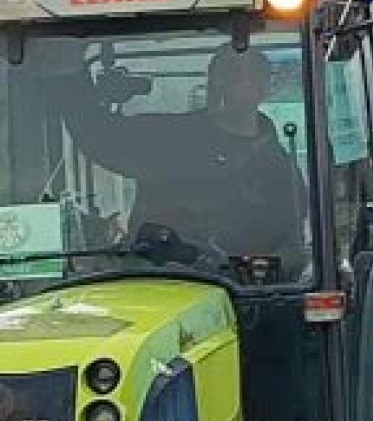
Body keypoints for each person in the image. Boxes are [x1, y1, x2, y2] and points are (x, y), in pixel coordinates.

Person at [58, 43, 306, 263]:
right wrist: (69, 65)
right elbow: (98, 136)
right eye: (229, 73)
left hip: (245, 294)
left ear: (265, 87)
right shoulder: (169, 138)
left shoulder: (280, 169)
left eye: (252, 74)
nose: (240, 83)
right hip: (160, 283)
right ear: (213, 80)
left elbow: (290, 246)